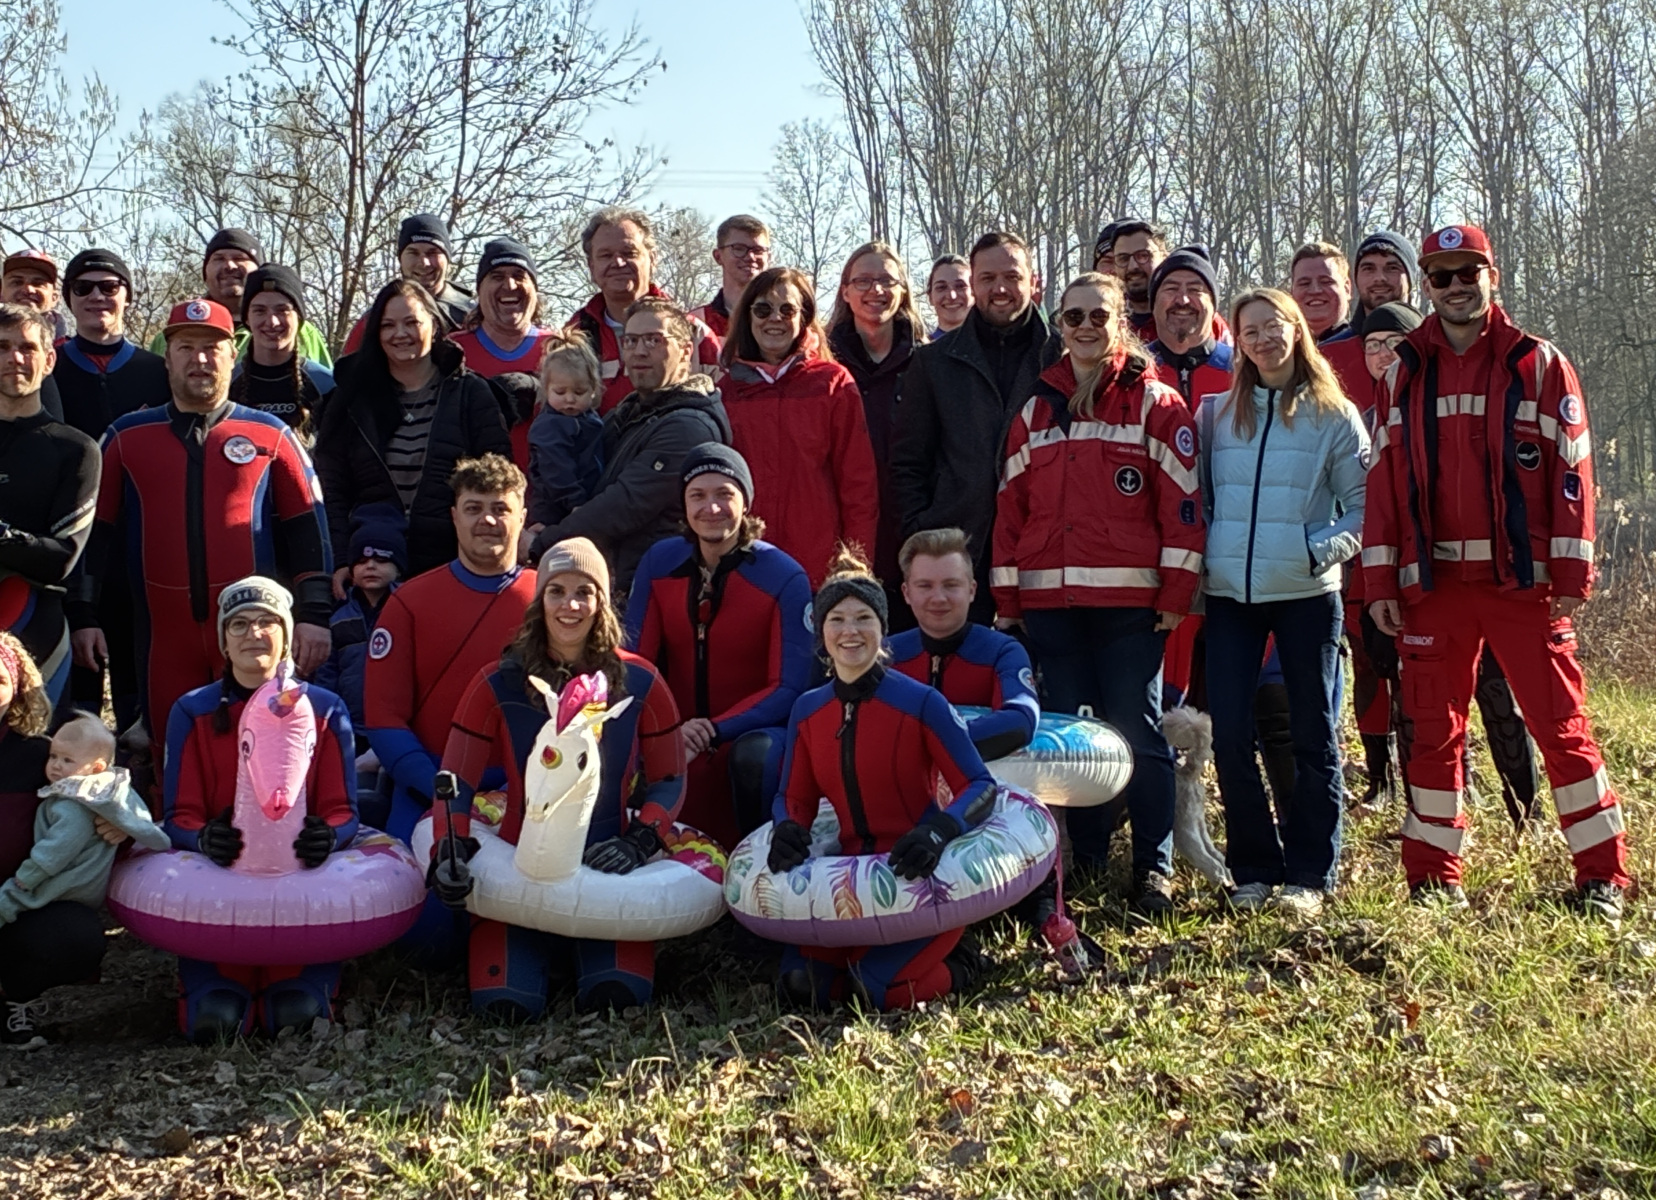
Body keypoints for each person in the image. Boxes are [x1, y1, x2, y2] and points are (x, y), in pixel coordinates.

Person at [1363, 225, 1628, 919]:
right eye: (1441, 275)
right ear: (1427, 285)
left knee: (1559, 726)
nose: (1455, 286)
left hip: (1522, 586)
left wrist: (1572, 569)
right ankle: (1433, 878)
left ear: (1492, 275)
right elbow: (1383, 484)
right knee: (1431, 732)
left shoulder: (1538, 363)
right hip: (1434, 588)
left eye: (1467, 272)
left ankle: (1601, 875)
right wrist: (1381, 581)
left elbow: (1573, 471)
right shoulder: (1402, 372)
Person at [992, 273, 1200, 915]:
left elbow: (1183, 508)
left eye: (1098, 316)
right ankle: (1084, 861)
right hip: (1050, 607)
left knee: (1138, 734)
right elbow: (1010, 514)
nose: (1085, 327)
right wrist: (1008, 601)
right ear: (1059, 324)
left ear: (1120, 324)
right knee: (1071, 741)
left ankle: (1152, 870)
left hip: (1129, 608)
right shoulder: (1036, 411)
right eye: (1074, 316)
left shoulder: (1156, 404)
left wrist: (1176, 592)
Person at [435, 537, 687, 1018]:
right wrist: (448, 848)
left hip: (607, 867)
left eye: (584, 592)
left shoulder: (641, 679)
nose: (570, 605)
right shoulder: (498, 680)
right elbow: (456, 780)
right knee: (505, 1005)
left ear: (601, 603)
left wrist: (640, 840)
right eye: (557, 591)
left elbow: (670, 778)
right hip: (517, 868)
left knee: (618, 997)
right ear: (539, 601)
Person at [74, 299, 333, 744]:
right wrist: (82, 614)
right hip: (163, 640)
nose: (199, 359)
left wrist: (314, 613)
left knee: (261, 755)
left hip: (253, 638)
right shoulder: (126, 436)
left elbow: (309, 528)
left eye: (212, 348)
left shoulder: (271, 434)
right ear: (167, 359)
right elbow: (93, 536)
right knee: (170, 758)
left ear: (233, 356)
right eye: (186, 347)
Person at [1201, 288, 1370, 919]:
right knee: (1230, 735)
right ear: (1238, 342)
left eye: (1274, 326)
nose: (1264, 339)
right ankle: (1252, 868)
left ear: (1297, 329)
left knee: (1312, 733)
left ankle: (1310, 871)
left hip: (1305, 595)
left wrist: (1314, 551)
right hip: (1230, 598)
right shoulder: (1217, 415)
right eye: (1250, 331)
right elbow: (1203, 500)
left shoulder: (1335, 415)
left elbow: (1363, 508)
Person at [767, 548, 994, 1011]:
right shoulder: (808, 711)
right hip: (849, 876)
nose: (850, 631)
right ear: (821, 632)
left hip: (917, 870)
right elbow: (795, 796)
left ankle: (963, 962)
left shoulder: (921, 702)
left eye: (863, 618)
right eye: (837, 620)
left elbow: (980, 786)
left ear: (882, 628)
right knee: (799, 986)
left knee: (869, 993)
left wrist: (938, 831)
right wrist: (787, 827)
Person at [1349, 303, 1541, 820]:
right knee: (1412, 700)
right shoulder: (1358, 422)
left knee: (1497, 692)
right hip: (1398, 584)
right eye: (1371, 345)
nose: (1382, 354)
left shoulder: (1457, 402)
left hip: (1481, 578)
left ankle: (1525, 808)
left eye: (1393, 343)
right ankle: (1416, 804)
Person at [162, 577, 359, 1041]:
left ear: (287, 635)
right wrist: (202, 838)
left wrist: (328, 837)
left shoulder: (324, 709)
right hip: (221, 885)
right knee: (217, 1018)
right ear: (224, 641)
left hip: (297, 886)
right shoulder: (192, 711)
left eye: (267, 622)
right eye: (239, 624)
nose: (254, 633)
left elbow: (343, 809)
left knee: (296, 1014)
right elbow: (178, 814)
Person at [624, 444, 813, 848]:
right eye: (698, 495)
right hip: (676, 737)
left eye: (724, 494)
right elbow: (635, 664)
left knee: (756, 753)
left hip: (746, 738)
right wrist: (666, 732)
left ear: (745, 502)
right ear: (684, 503)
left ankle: (760, 858)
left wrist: (712, 730)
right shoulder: (660, 562)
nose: (711, 508)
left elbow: (788, 688)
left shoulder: (784, 577)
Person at [363, 455, 536, 843]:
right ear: (454, 516)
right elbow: (384, 718)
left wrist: (521, 786)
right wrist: (438, 787)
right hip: (425, 792)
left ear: (522, 517)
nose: (487, 520)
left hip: (528, 797)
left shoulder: (550, 601)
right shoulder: (409, 602)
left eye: (500, 509)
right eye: (473, 508)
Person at [893, 231, 1060, 626]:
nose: (1000, 289)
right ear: (973, 284)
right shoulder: (934, 363)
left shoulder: (1061, 357)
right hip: (958, 548)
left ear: (1034, 282)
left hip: (1047, 547)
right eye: (987, 278)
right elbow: (907, 462)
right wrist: (922, 530)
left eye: (1012, 277)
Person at [530, 297, 731, 596]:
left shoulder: (689, 427)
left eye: (654, 340)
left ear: (686, 351)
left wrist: (542, 542)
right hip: (614, 581)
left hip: (655, 588)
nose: (639, 351)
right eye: (631, 340)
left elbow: (624, 505)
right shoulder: (628, 413)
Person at [315, 279, 512, 581]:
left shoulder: (471, 393)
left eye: (411, 323)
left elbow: (498, 482)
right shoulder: (352, 399)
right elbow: (332, 488)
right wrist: (341, 559)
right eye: (388, 325)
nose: (400, 334)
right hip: (371, 567)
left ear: (433, 326)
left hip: (453, 565)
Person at [54, 248, 169, 727]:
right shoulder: (49, 369)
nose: (97, 296)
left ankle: (141, 764)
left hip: (141, 543)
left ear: (127, 296)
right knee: (77, 696)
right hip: (69, 544)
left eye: (109, 286)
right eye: (83, 288)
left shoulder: (156, 371)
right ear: (68, 299)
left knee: (139, 688)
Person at [719, 265, 878, 586]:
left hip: (818, 569)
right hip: (744, 568)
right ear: (748, 316)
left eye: (787, 309)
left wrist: (856, 567)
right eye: (763, 309)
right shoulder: (726, 391)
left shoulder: (833, 383)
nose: (775, 318)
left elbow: (858, 486)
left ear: (804, 317)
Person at [0, 633, 107, 1043]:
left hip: (15, 903)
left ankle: (12, 996)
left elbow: (108, 781)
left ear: (17, 689)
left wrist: (116, 822)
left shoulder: (42, 757)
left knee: (75, 936)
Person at [0, 304, 101, 707]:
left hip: (33, 627)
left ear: (48, 361)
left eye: (27, 347)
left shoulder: (75, 449)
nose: (14, 358)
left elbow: (61, 557)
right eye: (2, 347)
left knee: (33, 746)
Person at [825, 241, 925, 605]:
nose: (876, 290)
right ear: (845, 291)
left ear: (903, 291)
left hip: (911, 532)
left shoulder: (928, 364)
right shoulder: (824, 366)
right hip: (841, 536)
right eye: (863, 281)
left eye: (887, 281)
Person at [0, 713, 168, 926]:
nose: (56, 765)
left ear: (96, 768)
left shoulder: (77, 804)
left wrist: (27, 876)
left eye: (67, 760)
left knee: (9, 899)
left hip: (63, 882)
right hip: (80, 886)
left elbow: (59, 848)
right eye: (53, 756)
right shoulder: (106, 792)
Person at [888, 527, 1037, 760]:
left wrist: (930, 742)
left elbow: (1021, 720)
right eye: (925, 586)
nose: (938, 598)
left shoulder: (1002, 651)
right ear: (906, 593)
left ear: (972, 590)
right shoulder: (886, 655)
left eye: (951, 585)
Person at [567, 207, 721, 415]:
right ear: (591, 266)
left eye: (629, 253)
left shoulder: (694, 334)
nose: (618, 263)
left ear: (653, 259)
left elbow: (727, 411)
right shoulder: (573, 337)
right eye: (605, 255)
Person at [149, 229, 332, 367]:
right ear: (205, 272)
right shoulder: (174, 333)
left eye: (239, 258)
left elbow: (328, 389)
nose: (229, 265)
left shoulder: (300, 331)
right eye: (219, 259)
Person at [314, 502, 405, 754]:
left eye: (381, 559)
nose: (370, 566)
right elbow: (327, 674)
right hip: (348, 727)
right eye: (362, 561)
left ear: (399, 567)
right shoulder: (338, 617)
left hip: (398, 727)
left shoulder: (409, 611)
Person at [341, 213, 474, 353]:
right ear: (401, 259)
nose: (424, 263)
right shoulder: (373, 321)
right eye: (413, 253)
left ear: (447, 259)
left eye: (432, 252)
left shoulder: (474, 318)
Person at [232, 264, 335, 442]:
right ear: (247, 318)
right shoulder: (229, 382)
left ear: (299, 317)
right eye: (259, 311)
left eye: (282, 310)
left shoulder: (325, 385)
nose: (272, 321)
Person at [525, 329, 605, 535]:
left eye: (579, 392)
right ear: (546, 389)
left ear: (593, 389)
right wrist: (576, 502)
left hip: (584, 502)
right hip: (555, 509)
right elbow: (556, 469)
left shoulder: (590, 419)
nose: (569, 399)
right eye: (560, 392)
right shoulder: (549, 426)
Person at [1288, 241, 1367, 404]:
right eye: (1304, 283)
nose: (1315, 290)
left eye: (1326, 281)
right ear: (1291, 292)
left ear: (1347, 288)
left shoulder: (1369, 348)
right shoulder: (1279, 353)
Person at [2, 249, 65, 419]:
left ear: (55, 297)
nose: (28, 289)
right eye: (17, 282)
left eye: (38, 283)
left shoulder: (72, 355)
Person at [688, 214, 772, 339]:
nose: (750, 257)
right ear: (718, 256)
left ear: (768, 257)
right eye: (739, 249)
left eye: (758, 250)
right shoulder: (696, 322)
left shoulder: (782, 321)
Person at [1104, 219, 1167, 340]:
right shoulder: (1104, 319)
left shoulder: (1181, 313)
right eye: (1123, 258)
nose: (1133, 266)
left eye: (1143, 256)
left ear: (1164, 258)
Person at [924, 255, 972, 339]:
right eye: (942, 287)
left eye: (960, 286)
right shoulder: (922, 346)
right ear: (930, 297)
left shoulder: (992, 343)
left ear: (975, 292)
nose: (952, 296)